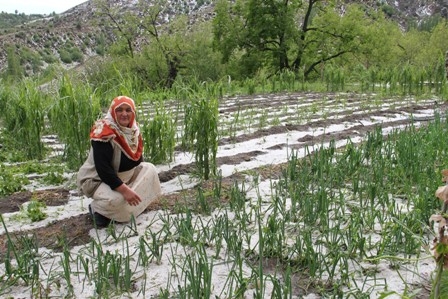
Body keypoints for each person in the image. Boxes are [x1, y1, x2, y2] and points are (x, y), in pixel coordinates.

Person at [77, 95, 162, 227]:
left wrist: (133, 185)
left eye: (128, 110)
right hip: (99, 180)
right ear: (112, 112)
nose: (124, 114)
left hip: (123, 177)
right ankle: (98, 210)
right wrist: (126, 191)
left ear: (133, 113)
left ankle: (124, 209)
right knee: (117, 199)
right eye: (119, 110)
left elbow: (137, 159)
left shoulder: (134, 131)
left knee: (149, 169)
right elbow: (103, 170)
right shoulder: (103, 133)